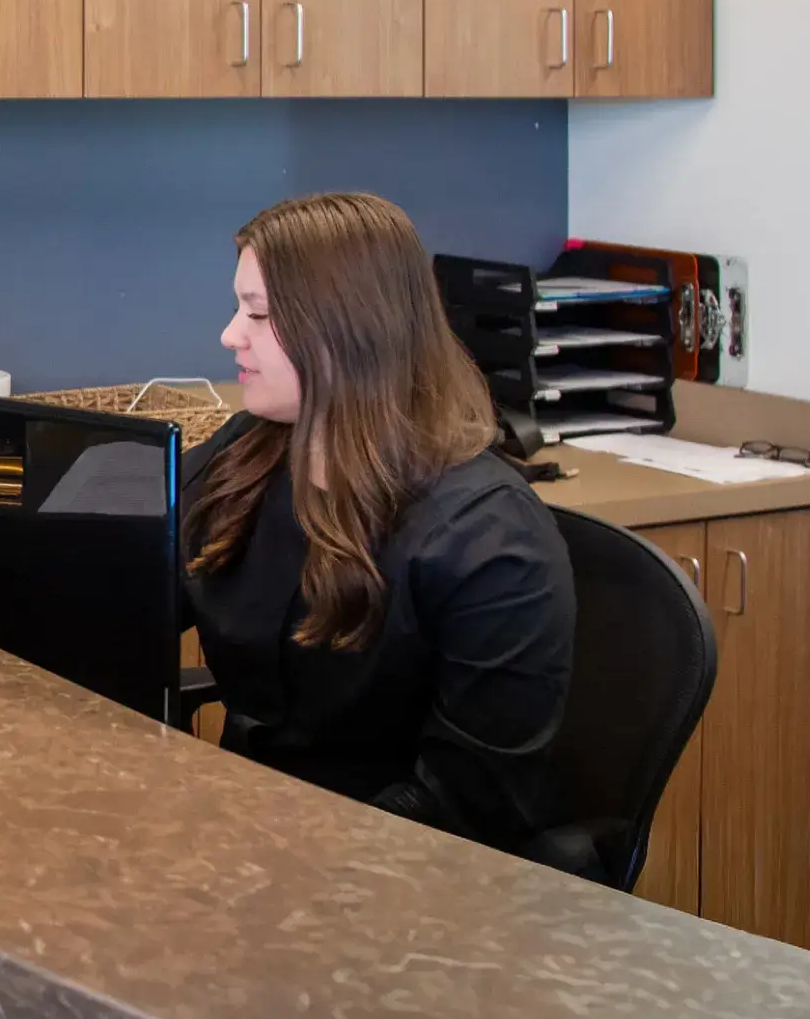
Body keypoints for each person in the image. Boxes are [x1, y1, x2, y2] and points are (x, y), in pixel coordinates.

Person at [183, 192, 577, 861]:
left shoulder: (490, 541)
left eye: (258, 314)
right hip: (259, 829)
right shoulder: (250, 455)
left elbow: (466, 807)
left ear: (347, 329)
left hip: (400, 874)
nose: (230, 334)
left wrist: (283, 857)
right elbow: (128, 582)